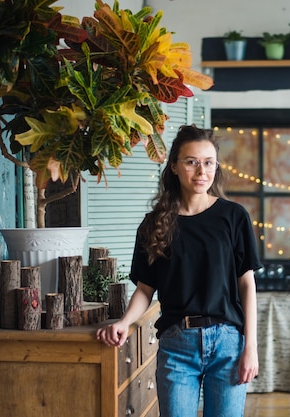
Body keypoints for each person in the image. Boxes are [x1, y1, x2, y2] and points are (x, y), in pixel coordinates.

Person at [96, 125, 261, 417]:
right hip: (177, 347)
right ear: (174, 166)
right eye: (191, 161)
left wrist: (251, 347)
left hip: (227, 344)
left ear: (216, 166)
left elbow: (247, 285)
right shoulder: (154, 224)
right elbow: (145, 289)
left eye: (208, 162)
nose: (201, 171)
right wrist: (124, 322)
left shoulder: (234, 217)